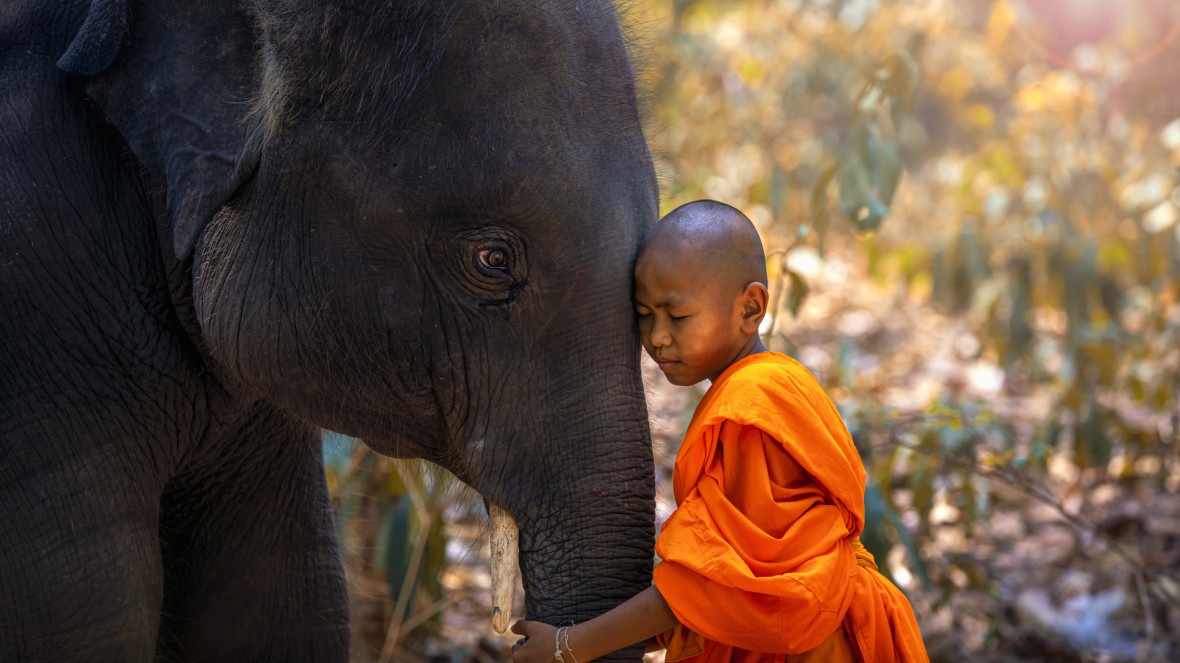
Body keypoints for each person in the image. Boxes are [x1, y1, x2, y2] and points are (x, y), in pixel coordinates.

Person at [510, 200, 928, 663]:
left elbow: (707, 584)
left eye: (678, 316)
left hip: (813, 643)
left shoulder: (750, 408)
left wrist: (572, 645)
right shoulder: (767, 384)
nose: (657, 336)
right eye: (644, 314)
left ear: (751, 308)